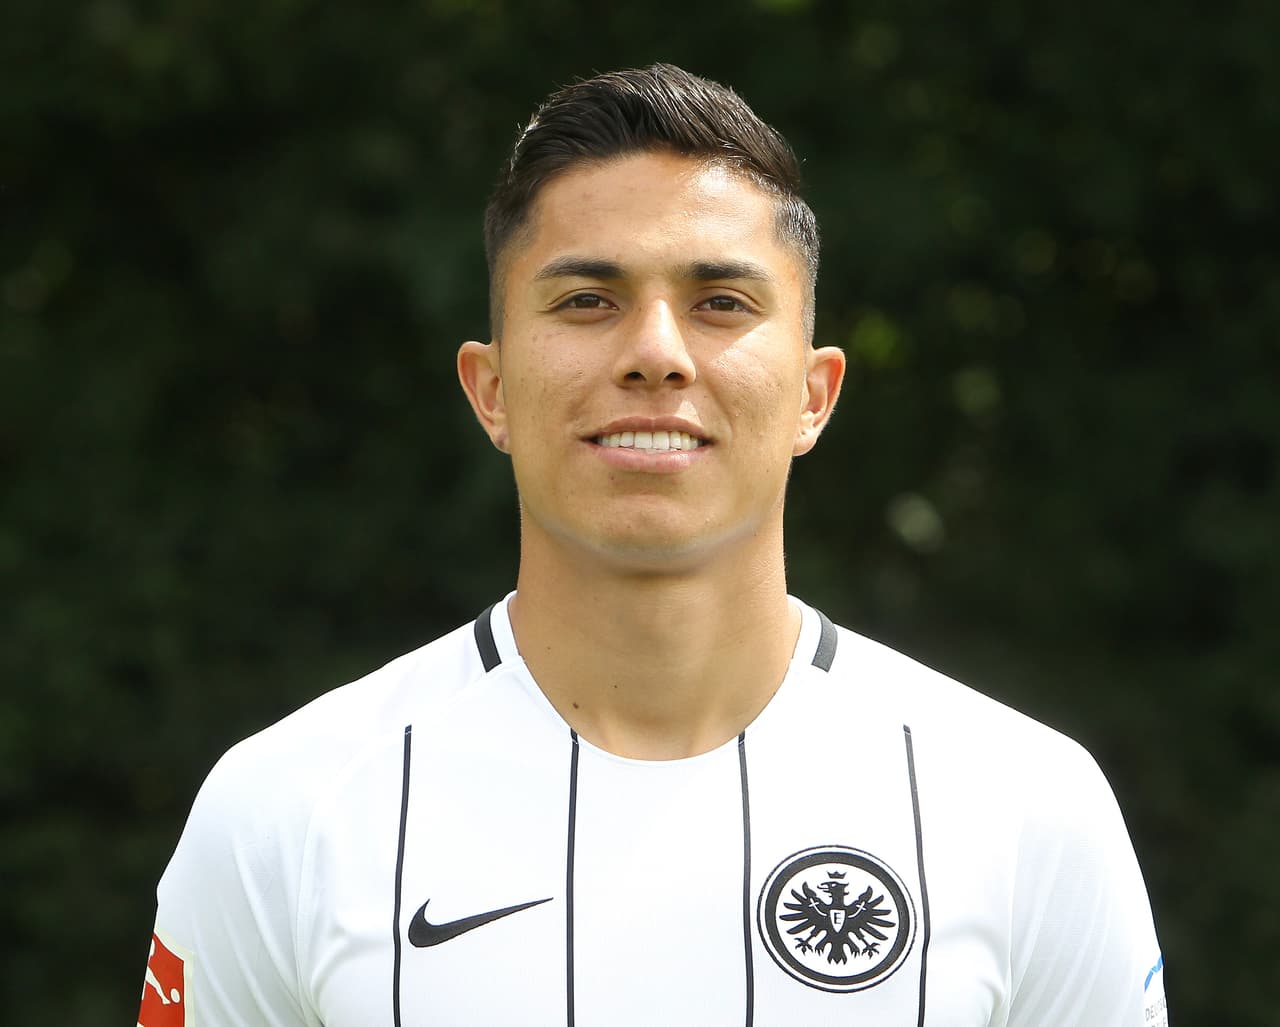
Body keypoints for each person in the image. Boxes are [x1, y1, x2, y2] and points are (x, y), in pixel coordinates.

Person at [140, 64, 1167, 1026]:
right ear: (489, 389)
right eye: (587, 300)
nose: (654, 355)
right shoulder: (285, 811)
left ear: (814, 395)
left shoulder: (1025, 807)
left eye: (720, 302)